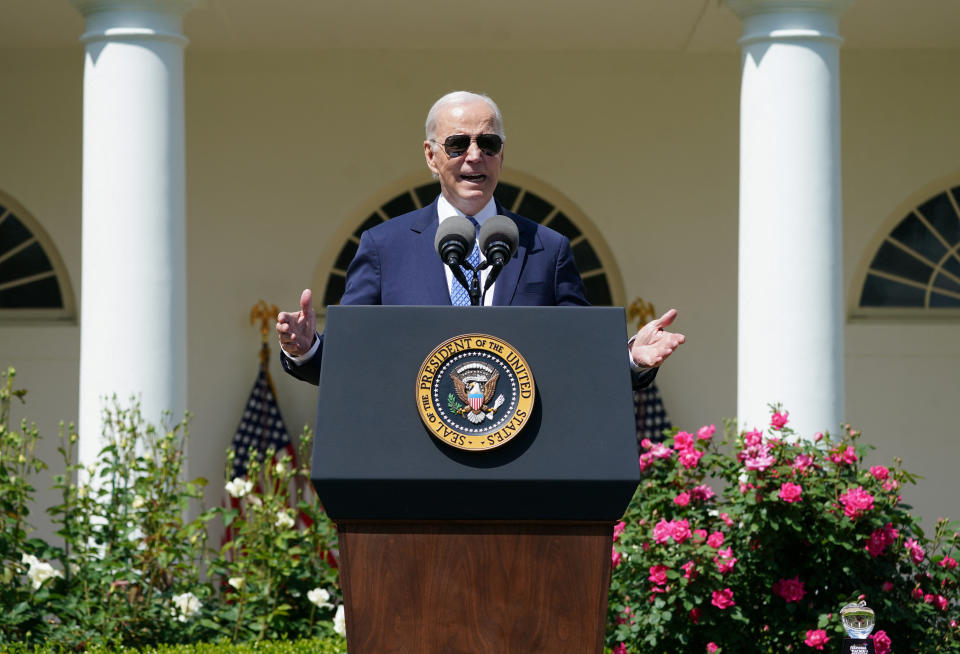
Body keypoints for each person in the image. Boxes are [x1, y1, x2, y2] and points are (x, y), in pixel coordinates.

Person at [276, 91, 684, 385]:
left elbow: (576, 354)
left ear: (502, 155)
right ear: (431, 156)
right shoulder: (384, 246)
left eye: (487, 143)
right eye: (457, 144)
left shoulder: (547, 247)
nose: (474, 156)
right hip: (411, 464)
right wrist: (307, 347)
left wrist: (630, 358)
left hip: (518, 467)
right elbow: (351, 359)